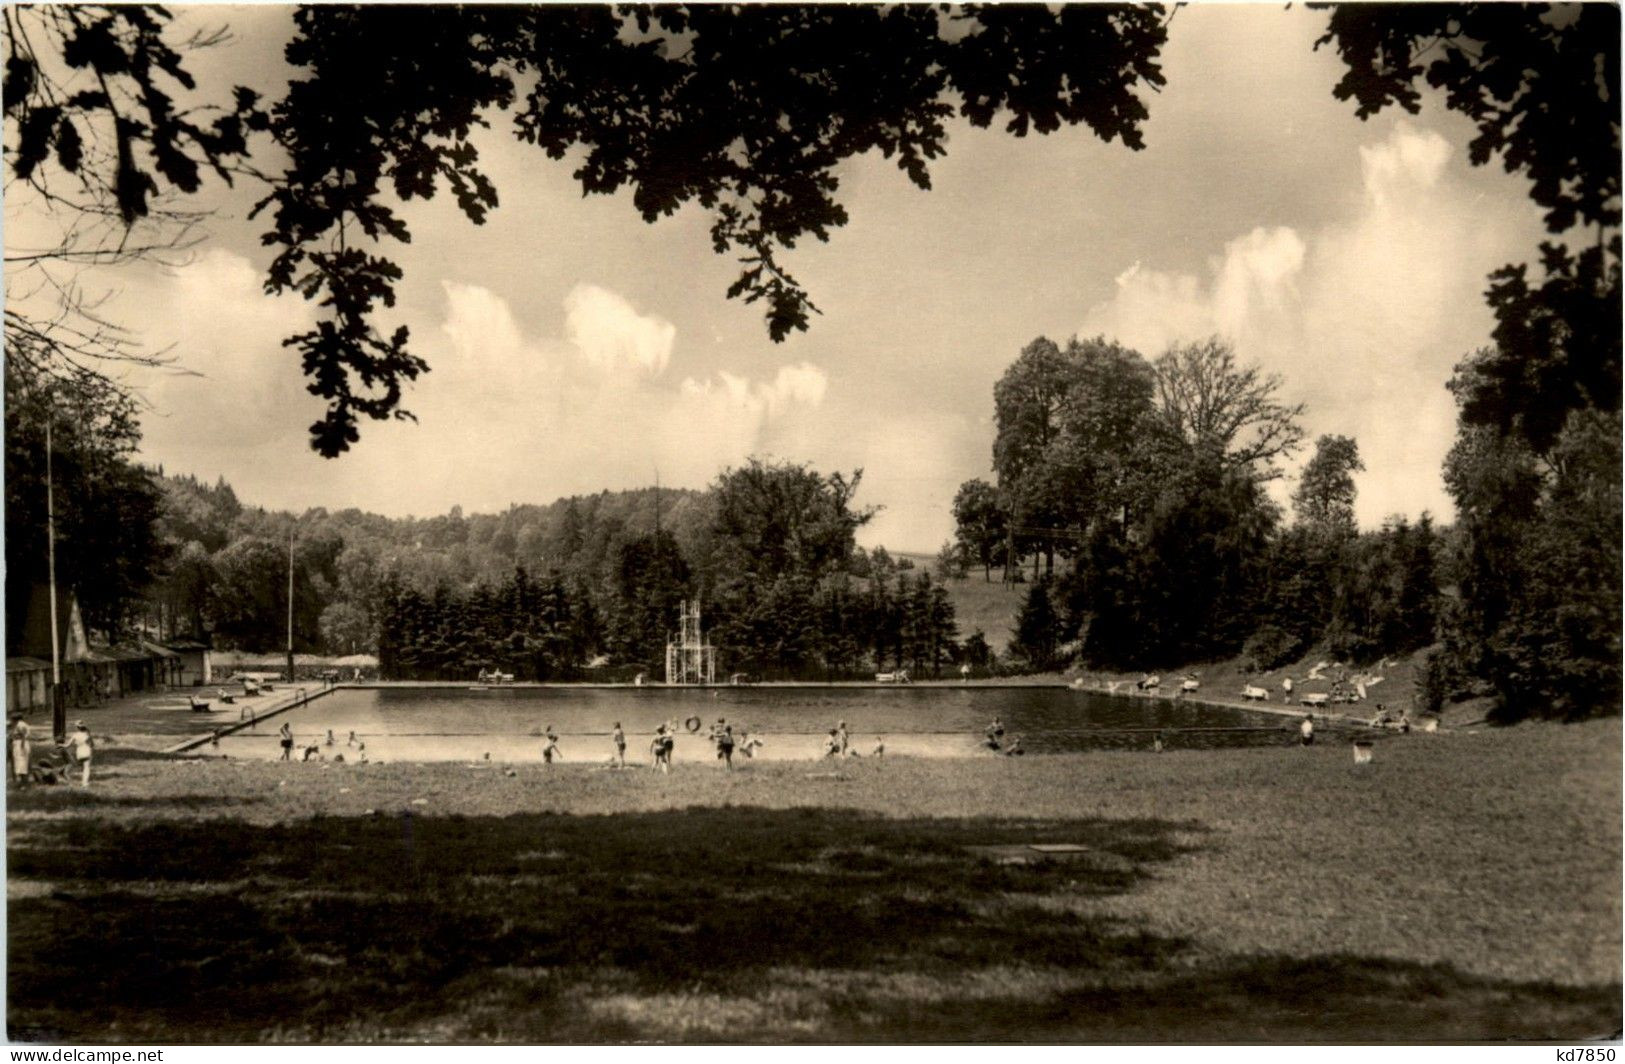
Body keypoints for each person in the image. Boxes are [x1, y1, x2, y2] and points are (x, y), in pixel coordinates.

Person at [65, 720, 93, 786]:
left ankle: (70, 779)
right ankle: (85, 783)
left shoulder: (75, 735)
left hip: (79, 752)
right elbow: (91, 744)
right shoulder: (87, 734)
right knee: (87, 767)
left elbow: (67, 745)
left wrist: (60, 745)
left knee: (79, 766)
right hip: (87, 751)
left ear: (77, 727)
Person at [10, 714, 32, 788]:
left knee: (22, 764)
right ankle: (23, 782)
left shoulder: (20, 725)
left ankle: (24, 784)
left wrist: (22, 745)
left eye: (12, 720)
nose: (11, 721)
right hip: (20, 744)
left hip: (20, 744)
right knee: (22, 764)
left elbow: (22, 736)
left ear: (16, 719)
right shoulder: (22, 724)